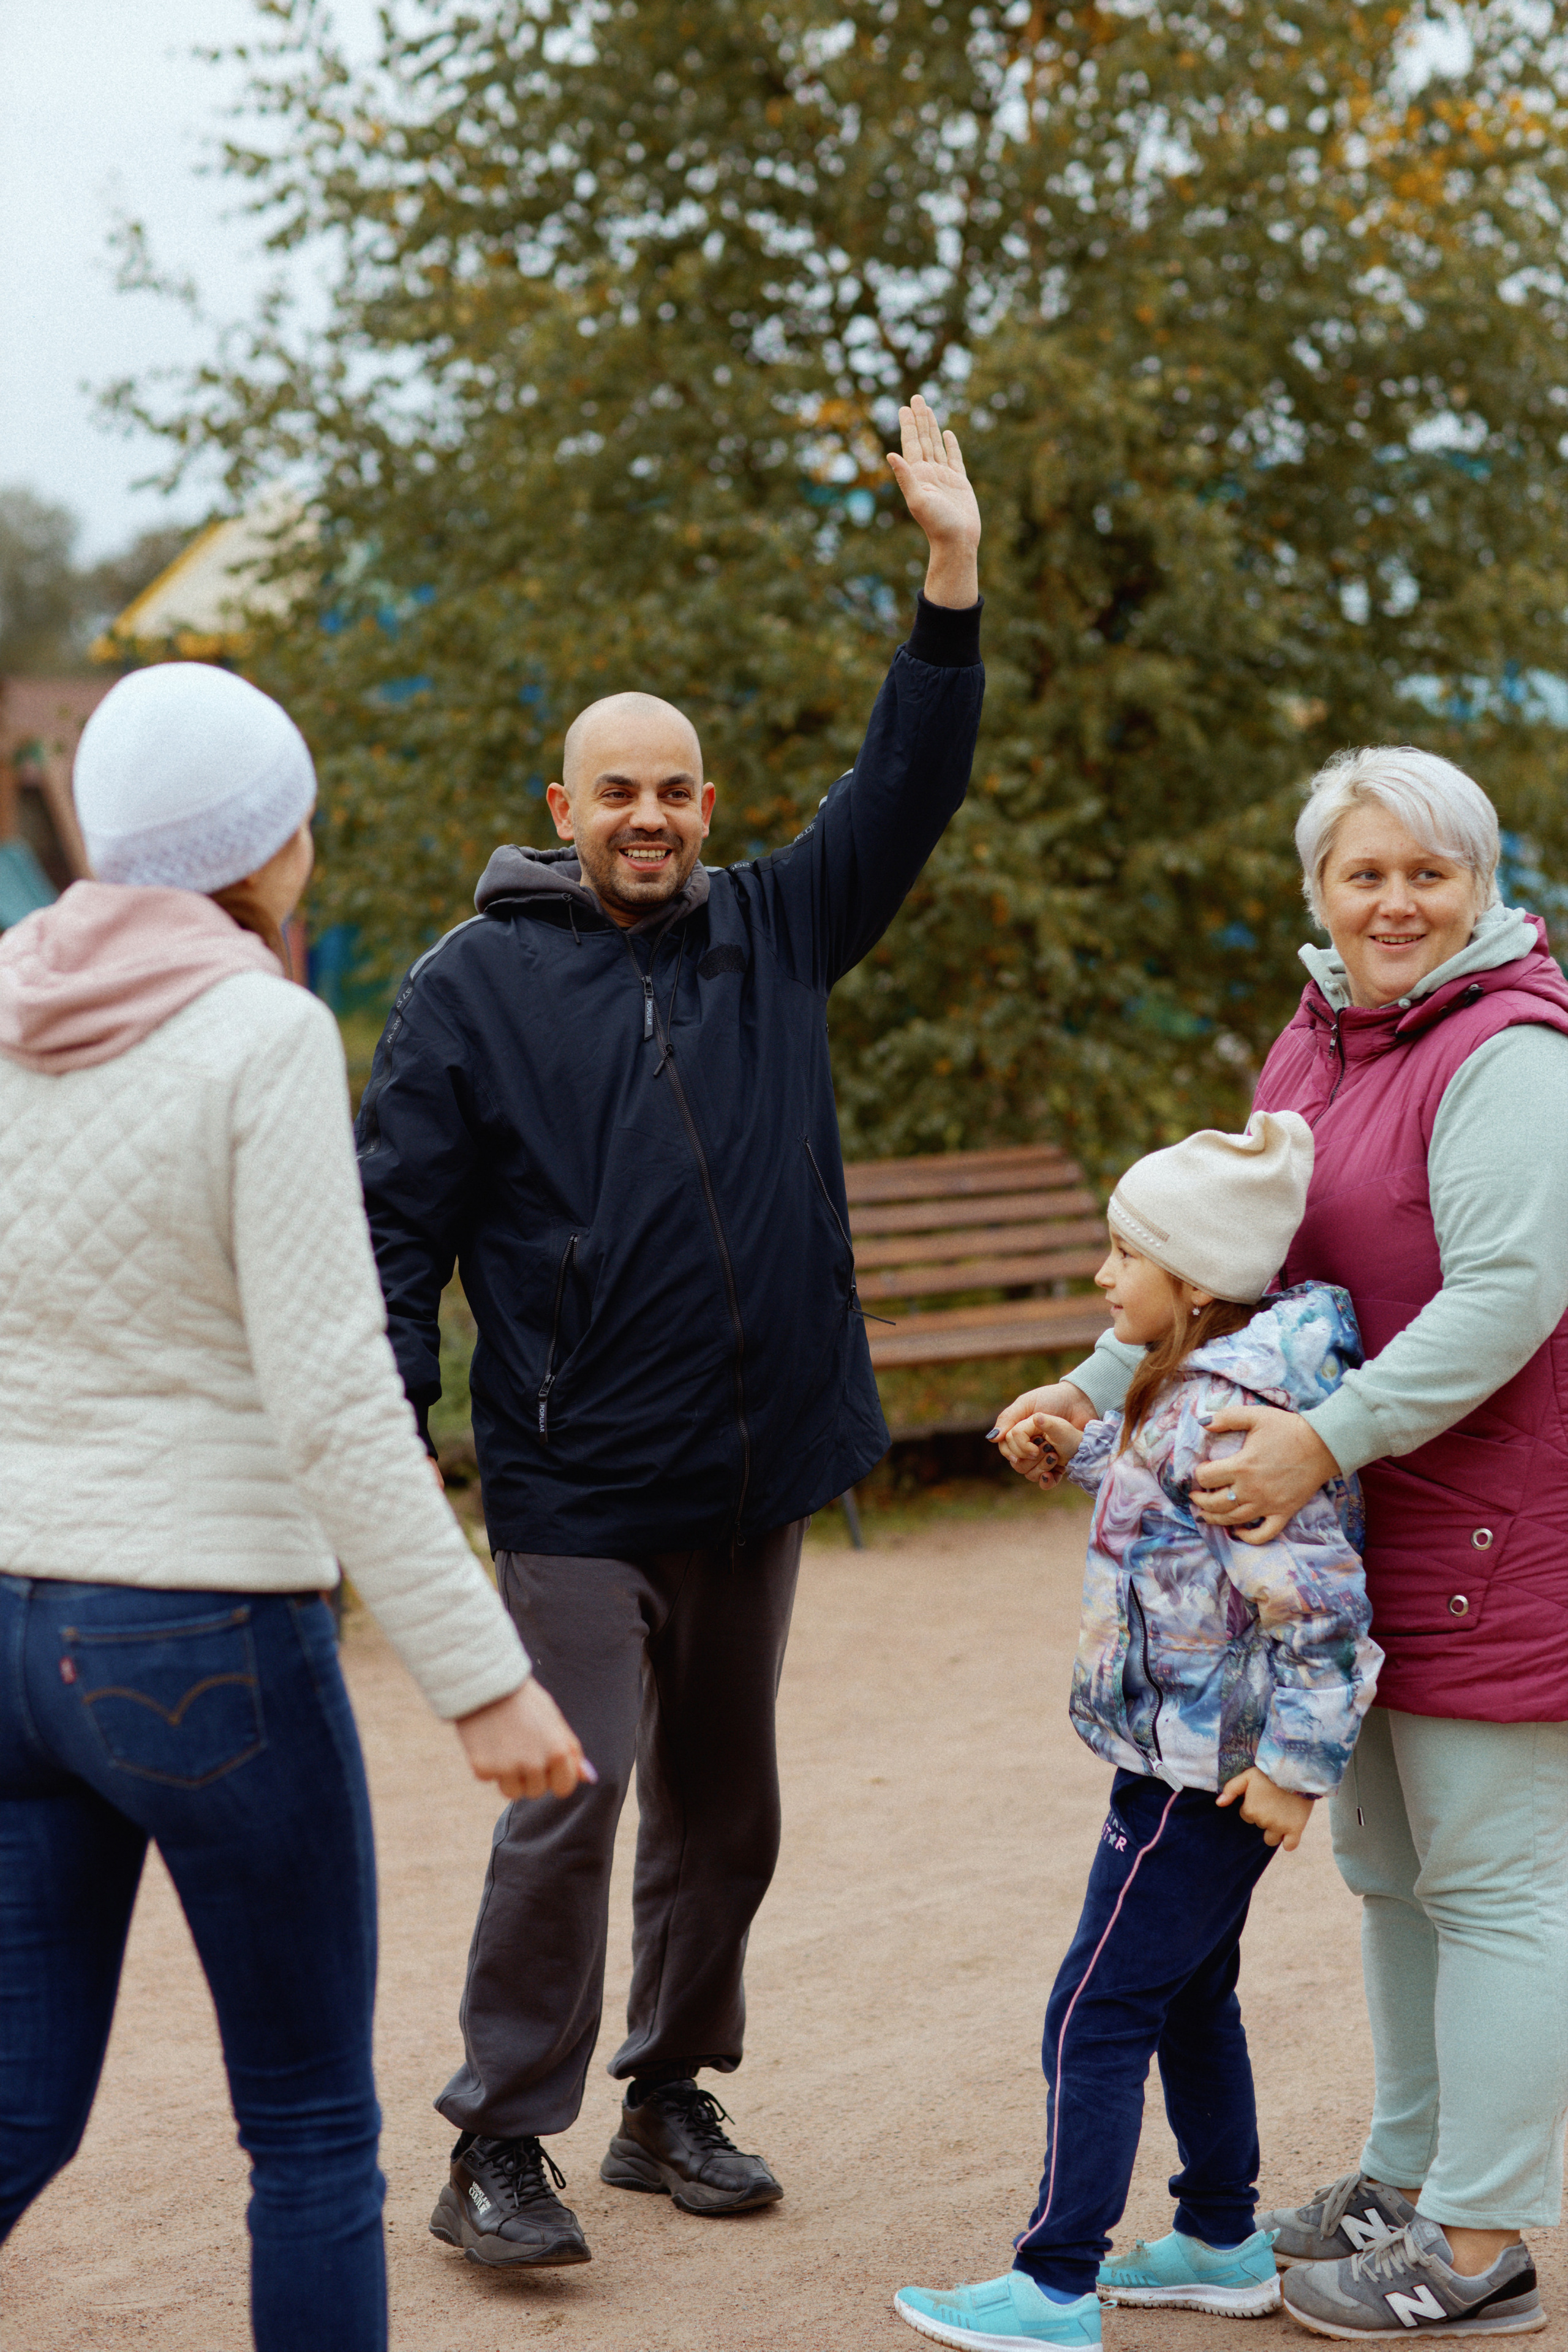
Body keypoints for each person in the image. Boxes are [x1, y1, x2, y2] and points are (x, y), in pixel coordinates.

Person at [354, 393, 986, 2266]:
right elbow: (394, 1235)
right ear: (564, 811)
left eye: (675, 789)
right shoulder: (468, 991)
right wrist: (397, 1452)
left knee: (729, 1807)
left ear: (708, 808)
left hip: (757, 1467)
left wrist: (949, 578)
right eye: (612, 789)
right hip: (572, 1477)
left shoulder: (775, 930)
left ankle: (668, 2096)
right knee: (574, 1790)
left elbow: (912, 782)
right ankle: (496, 2142)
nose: (647, 815)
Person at [0, 663, 586, 2352]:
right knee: (313, 2135)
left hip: (16, 1631)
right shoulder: (258, 1029)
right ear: (266, 847)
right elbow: (334, 1400)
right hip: (200, 1634)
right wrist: (485, 1678)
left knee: (21, 2112)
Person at [995, 745, 1568, 2339]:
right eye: (1364, 873)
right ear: (1320, 891)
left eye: (1427, 872)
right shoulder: (1319, 1038)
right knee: (1391, 1875)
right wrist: (1097, 1378)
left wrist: (1324, 1437)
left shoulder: (1511, 1055)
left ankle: (1480, 2239)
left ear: (1483, 885)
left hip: (1496, 1524)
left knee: (1497, 1883)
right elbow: (1227, 1262)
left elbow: (1514, 1299)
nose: (1396, 901)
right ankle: (1403, 2174)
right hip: (1367, 1523)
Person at [894, 1113, 1381, 2351]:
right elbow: (1167, 1503)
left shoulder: (1237, 1414)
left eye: (1123, 1256)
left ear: (1197, 1283)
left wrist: (1292, 1768)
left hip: (1199, 1779)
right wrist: (1078, 1448)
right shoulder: (1200, 1391)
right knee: (1184, 1995)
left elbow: (1320, 1613)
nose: (1103, 1278)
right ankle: (1220, 2239)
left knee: (1091, 2006)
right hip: (1177, 1757)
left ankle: (1051, 2286)